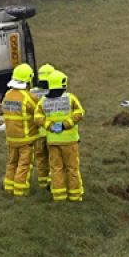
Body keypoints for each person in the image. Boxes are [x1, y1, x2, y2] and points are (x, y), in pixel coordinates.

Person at [40, 70, 85, 202]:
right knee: (72, 168)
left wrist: (49, 125)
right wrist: (66, 124)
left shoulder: (43, 101)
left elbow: (37, 117)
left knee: (56, 169)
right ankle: (75, 195)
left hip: (53, 141)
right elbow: (80, 113)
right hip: (70, 141)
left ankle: (59, 196)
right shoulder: (70, 98)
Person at [1, 64, 39, 197]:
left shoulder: (7, 95)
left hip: (11, 138)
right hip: (25, 139)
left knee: (12, 162)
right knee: (24, 164)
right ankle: (20, 190)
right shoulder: (28, 97)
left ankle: (8, 187)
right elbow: (38, 112)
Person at [29, 63, 56, 192]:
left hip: (38, 134)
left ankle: (43, 183)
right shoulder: (56, 93)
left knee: (40, 159)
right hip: (52, 133)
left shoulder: (31, 93)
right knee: (54, 159)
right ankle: (52, 181)